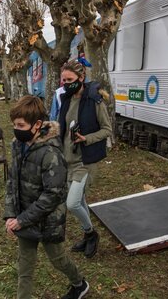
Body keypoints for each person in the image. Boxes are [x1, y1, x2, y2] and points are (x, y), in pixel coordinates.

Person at [4, 95, 89, 299]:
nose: (16, 129)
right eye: (14, 124)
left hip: (48, 221)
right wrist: (10, 215)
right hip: (23, 218)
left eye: (21, 125)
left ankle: (79, 284)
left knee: (58, 258)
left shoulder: (51, 153)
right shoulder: (17, 145)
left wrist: (21, 219)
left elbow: (52, 195)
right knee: (24, 268)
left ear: (38, 125)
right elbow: (11, 182)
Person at [58, 60, 112, 258]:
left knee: (72, 203)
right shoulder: (65, 99)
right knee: (80, 200)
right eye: (63, 79)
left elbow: (107, 129)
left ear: (81, 78)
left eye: (70, 79)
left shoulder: (94, 100)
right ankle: (87, 236)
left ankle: (91, 234)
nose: (65, 83)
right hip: (67, 160)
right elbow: (62, 128)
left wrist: (86, 139)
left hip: (85, 161)